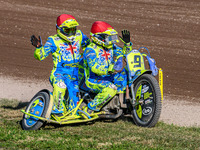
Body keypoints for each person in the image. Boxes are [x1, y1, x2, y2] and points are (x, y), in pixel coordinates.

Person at [30, 14, 90, 114]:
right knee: (60, 86)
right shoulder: (53, 40)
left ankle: (70, 112)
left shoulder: (79, 35)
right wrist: (39, 47)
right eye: (67, 30)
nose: (71, 33)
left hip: (74, 76)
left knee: (73, 107)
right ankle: (56, 110)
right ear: (59, 29)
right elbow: (40, 56)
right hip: (59, 73)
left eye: (73, 29)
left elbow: (89, 47)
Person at [83, 21, 132, 114]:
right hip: (93, 80)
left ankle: (127, 104)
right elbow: (94, 68)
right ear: (98, 38)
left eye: (112, 38)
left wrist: (127, 44)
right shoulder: (90, 50)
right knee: (111, 88)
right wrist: (110, 70)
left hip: (109, 77)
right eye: (109, 38)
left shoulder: (111, 47)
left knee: (127, 75)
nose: (112, 40)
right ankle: (90, 108)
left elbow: (125, 53)